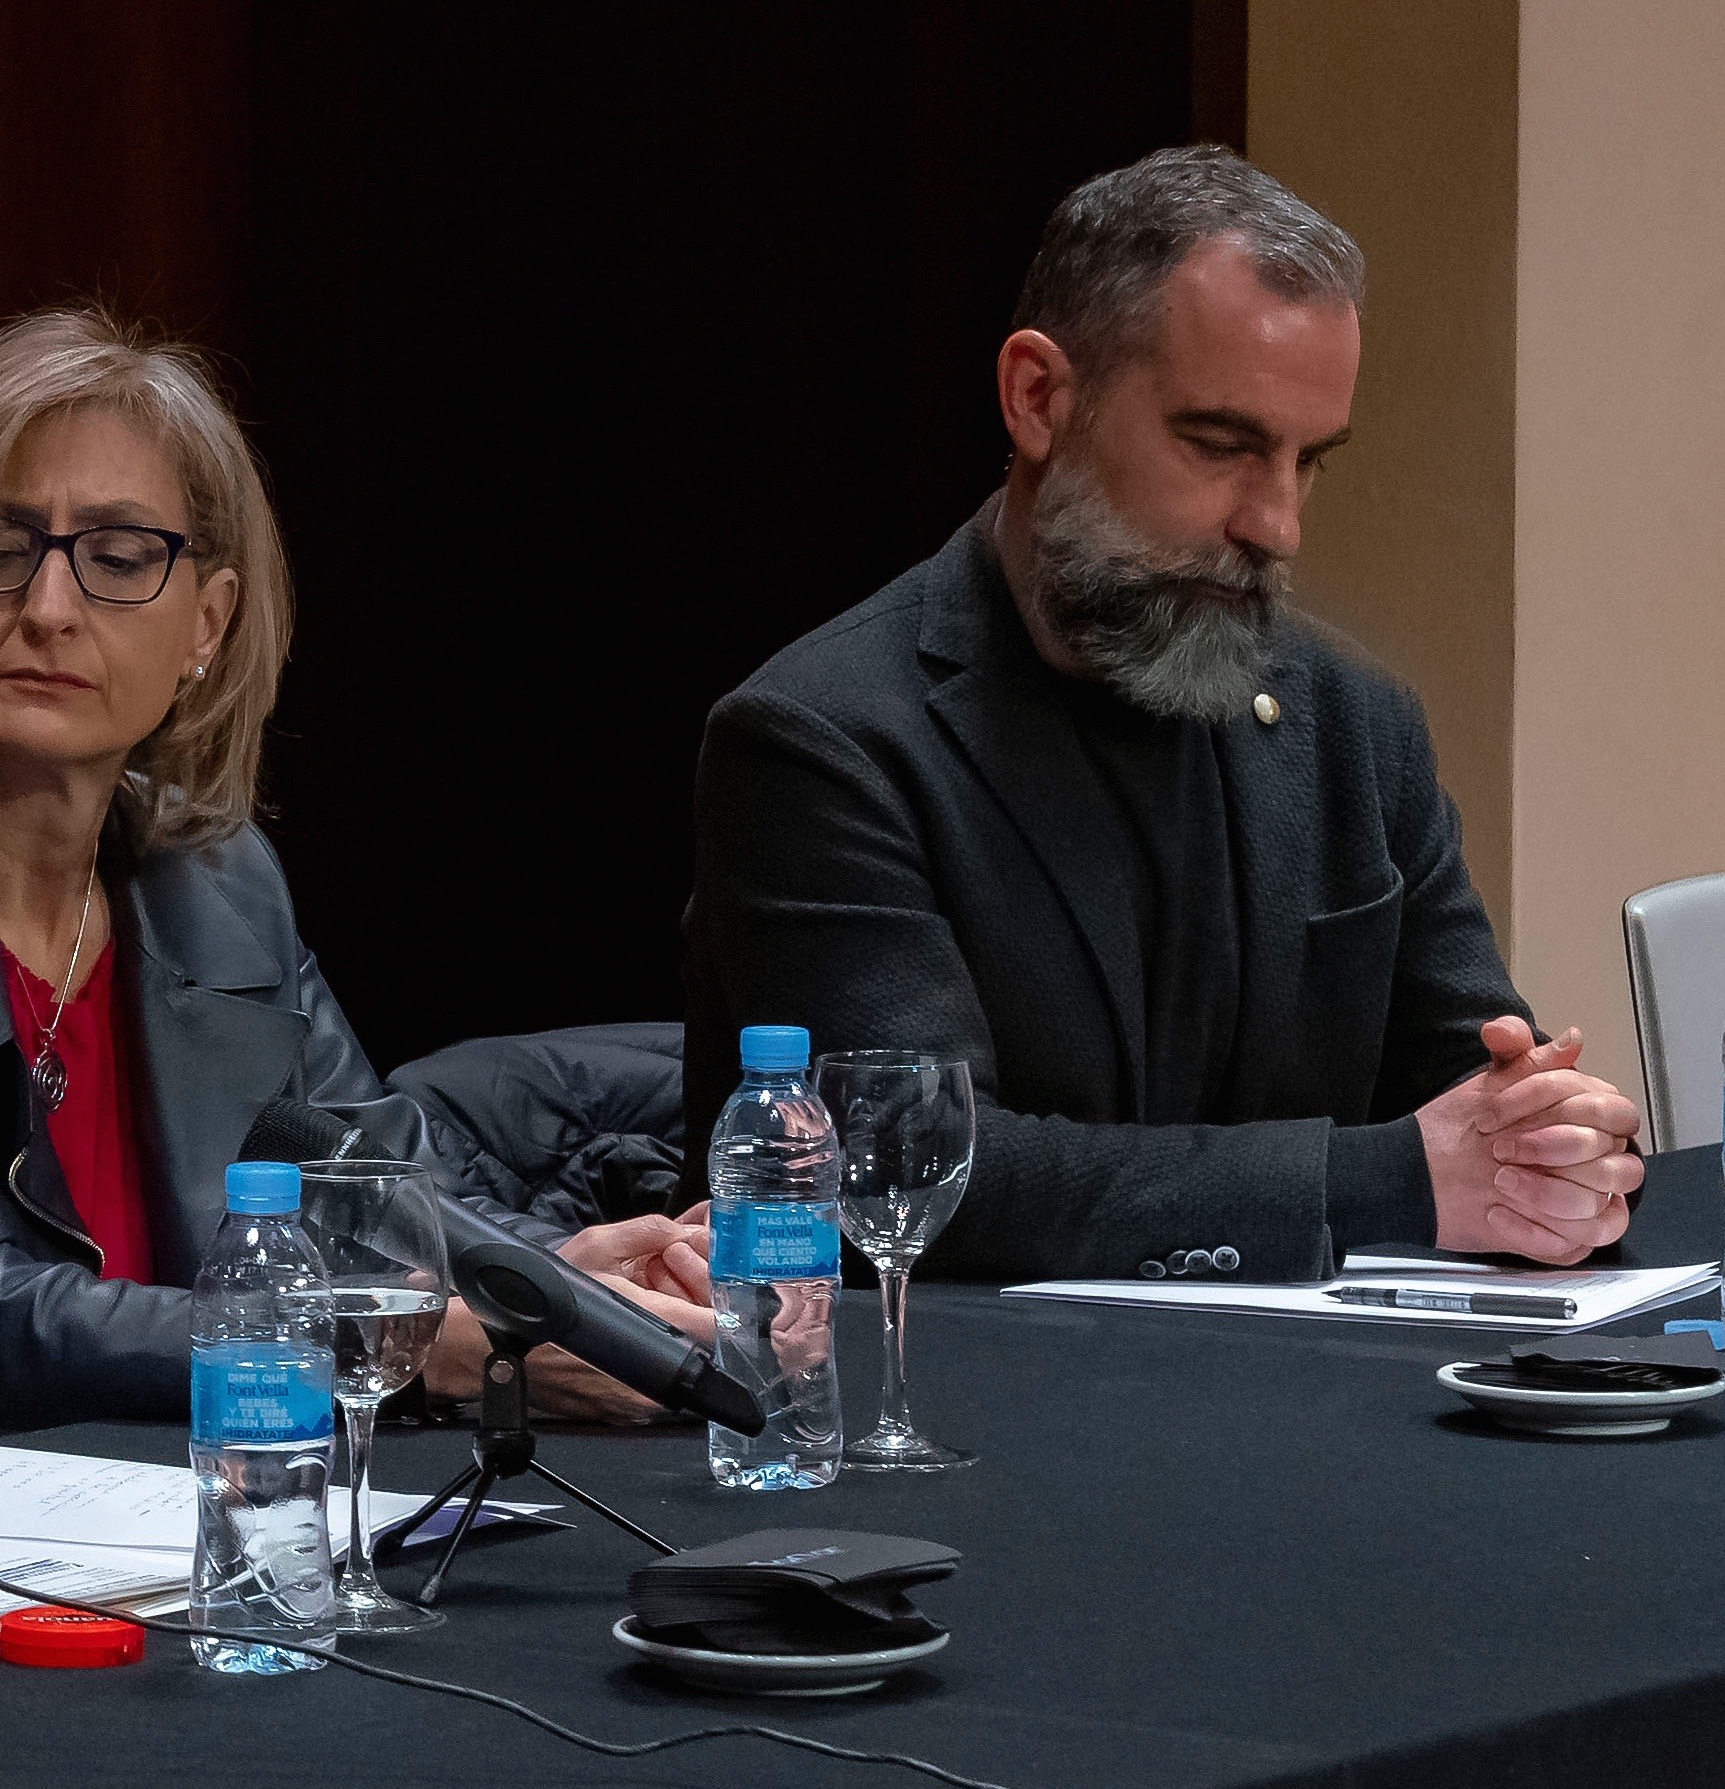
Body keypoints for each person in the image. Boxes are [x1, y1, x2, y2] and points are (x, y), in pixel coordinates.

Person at [0, 308, 714, 1437]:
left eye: (118, 560)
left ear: (205, 628)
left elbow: (379, 1191)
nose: (46, 608)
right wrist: (409, 1342)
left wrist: (564, 1287)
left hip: (198, 1509)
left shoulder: (214, 881)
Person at [683, 147, 1639, 1282]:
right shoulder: (823, 738)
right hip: (959, 1413)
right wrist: (1386, 1179)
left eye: (1306, 461)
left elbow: (1467, 1095)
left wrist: (1557, 1148)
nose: (1275, 524)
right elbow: (904, 1173)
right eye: (1221, 446)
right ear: (1037, 397)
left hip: (1314, 1405)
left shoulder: (1354, 722)